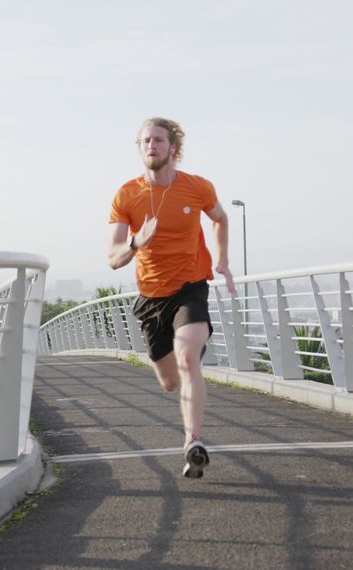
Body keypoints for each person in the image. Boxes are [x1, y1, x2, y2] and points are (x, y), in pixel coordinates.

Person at [107, 117, 235, 479]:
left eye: (158, 140)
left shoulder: (196, 188)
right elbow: (113, 257)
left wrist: (222, 260)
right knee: (169, 380)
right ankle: (186, 357)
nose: (151, 146)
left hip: (190, 287)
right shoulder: (126, 195)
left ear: (173, 148)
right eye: (145, 141)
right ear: (140, 147)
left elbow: (220, 218)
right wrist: (135, 243)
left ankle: (193, 442)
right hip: (151, 297)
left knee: (188, 357)